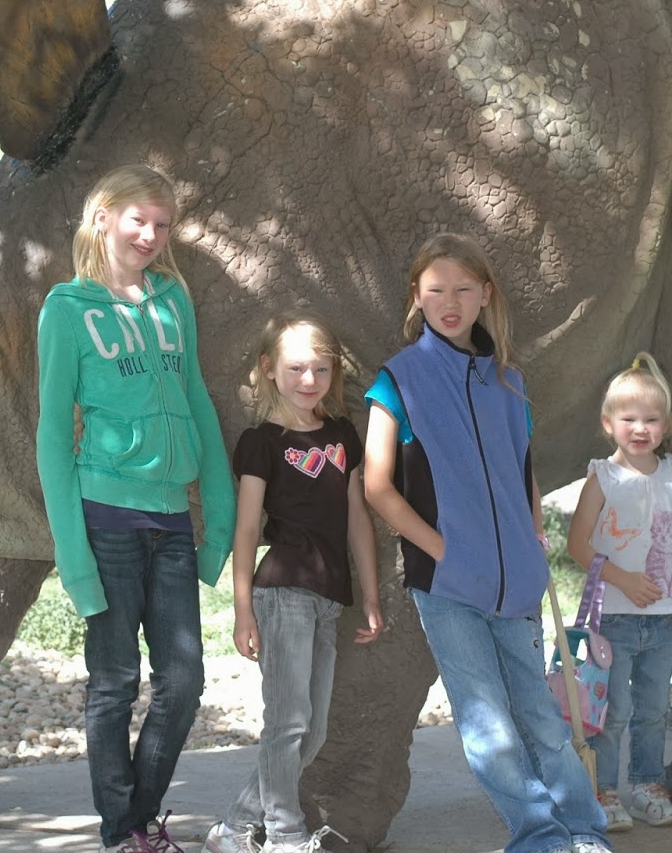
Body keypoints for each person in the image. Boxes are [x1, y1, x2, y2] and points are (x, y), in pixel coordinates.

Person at [360, 231, 612, 853]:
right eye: (437, 289)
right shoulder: (398, 379)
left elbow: (521, 472)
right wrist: (445, 551)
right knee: (488, 725)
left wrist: (531, 543)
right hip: (446, 586)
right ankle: (539, 836)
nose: (451, 301)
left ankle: (583, 832)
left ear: (485, 295)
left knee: (541, 718)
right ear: (416, 297)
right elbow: (376, 486)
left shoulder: (509, 381)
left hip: (516, 583)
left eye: (464, 289)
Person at [35, 164, 237, 853]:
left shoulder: (172, 299)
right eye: (138, 220)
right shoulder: (67, 309)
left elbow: (197, 402)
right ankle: (127, 833)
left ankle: (137, 819)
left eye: (162, 224)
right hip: (106, 519)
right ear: (102, 218)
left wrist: (220, 521)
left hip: (173, 520)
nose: (150, 235)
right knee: (114, 682)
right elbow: (53, 435)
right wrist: (73, 558)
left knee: (183, 681)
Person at [204, 314, 384, 853]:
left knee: (312, 731)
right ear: (268, 369)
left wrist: (371, 593)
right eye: (296, 368)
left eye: (321, 369)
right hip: (281, 594)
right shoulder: (262, 442)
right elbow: (246, 528)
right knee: (288, 722)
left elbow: (357, 516)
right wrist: (242, 610)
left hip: (328, 599)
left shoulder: (342, 435)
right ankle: (284, 836)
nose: (310, 380)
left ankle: (234, 829)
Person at [565, 353, 672, 832]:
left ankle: (645, 785)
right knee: (613, 711)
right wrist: (623, 578)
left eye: (651, 419)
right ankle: (604, 790)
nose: (640, 428)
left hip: (659, 618)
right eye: (629, 419)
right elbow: (577, 544)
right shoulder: (604, 476)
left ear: (668, 424)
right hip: (611, 616)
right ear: (607, 423)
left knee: (655, 708)